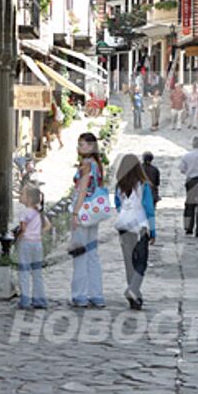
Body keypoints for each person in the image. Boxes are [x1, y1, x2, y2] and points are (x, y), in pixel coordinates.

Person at [114, 154, 156, 310]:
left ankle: (135, 296)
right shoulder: (144, 185)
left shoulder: (119, 186)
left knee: (129, 262)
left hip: (124, 227)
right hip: (141, 227)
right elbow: (149, 208)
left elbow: (118, 205)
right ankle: (133, 290)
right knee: (141, 262)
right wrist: (153, 230)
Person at [70, 132, 105, 307]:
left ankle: (80, 294)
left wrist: (75, 213)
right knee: (92, 254)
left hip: (83, 211)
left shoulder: (85, 165)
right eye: (79, 144)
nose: (79, 147)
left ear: (91, 146)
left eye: (83, 144)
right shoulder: (97, 165)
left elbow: (83, 190)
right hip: (94, 212)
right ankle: (96, 294)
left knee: (80, 254)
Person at [16, 186, 50, 310]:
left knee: (24, 272)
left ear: (29, 199)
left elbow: (23, 229)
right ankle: (39, 299)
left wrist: (17, 237)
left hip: (26, 243)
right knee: (37, 272)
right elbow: (48, 225)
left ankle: (25, 299)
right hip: (37, 244)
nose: (20, 196)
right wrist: (38, 233)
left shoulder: (24, 212)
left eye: (22, 194)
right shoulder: (38, 211)